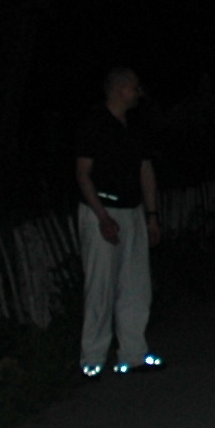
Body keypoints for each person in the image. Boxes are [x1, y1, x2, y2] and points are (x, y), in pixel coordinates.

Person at [71, 66, 164, 376]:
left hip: (132, 210)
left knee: (136, 285)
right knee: (100, 286)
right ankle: (92, 359)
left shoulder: (135, 125)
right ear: (119, 89)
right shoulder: (94, 123)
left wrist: (151, 215)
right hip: (101, 210)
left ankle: (133, 353)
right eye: (134, 87)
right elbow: (83, 174)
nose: (138, 93)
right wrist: (102, 217)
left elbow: (146, 170)